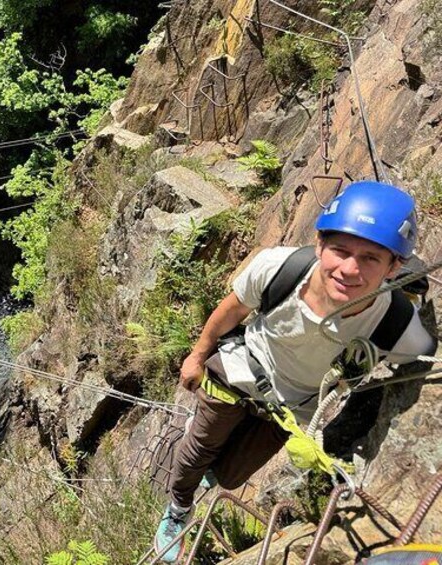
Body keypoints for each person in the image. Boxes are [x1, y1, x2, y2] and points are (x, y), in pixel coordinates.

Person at [154, 181, 437, 561]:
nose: (350, 269)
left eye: (371, 258)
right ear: (320, 244)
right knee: (196, 453)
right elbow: (233, 309)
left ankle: (207, 469)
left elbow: (422, 358)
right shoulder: (279, 267)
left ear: (394, 266)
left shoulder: (396, 325)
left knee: (231, 477)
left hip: (290, 408)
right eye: (341, 250)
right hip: (237, 372)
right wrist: (197, 355)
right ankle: (178, 508)